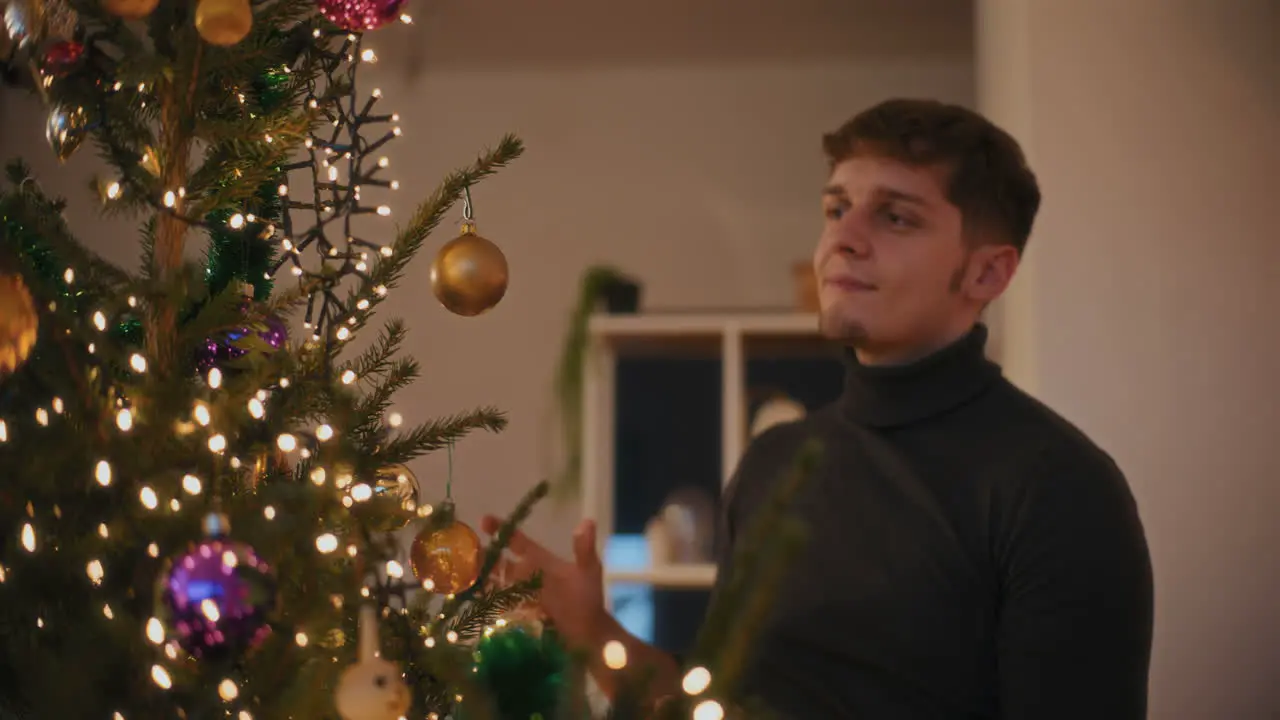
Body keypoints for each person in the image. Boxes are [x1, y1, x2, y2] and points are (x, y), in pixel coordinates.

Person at [483, 98, 1154, 718]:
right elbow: (710, 707)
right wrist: (592, 629)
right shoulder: (778, 462)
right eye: (837, 209)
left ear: (986, 274)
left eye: (895, 216)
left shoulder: (1057, 487)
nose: (845, 238)